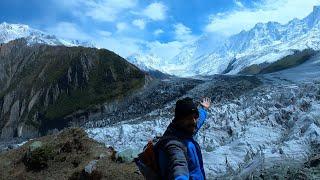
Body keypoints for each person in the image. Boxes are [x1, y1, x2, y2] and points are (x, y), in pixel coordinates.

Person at [156, 97, 211, 180]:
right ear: (179, 120)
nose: (194, 121)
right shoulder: (174, 145)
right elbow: (178, 165)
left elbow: (198, 121)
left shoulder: (186, 129)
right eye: (189, 118)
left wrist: (203, 108)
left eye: (195, 117)